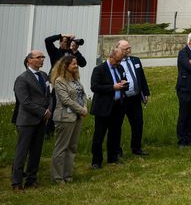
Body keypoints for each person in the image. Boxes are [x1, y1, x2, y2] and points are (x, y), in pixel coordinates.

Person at [12, 50, 51, 190]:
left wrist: (49, 109)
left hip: (41, 120)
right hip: (27, 121)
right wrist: (43, 112)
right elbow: (25, 101)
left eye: (43, 57)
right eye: (38, 57)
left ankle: (31, 179)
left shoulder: (44, 76)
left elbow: (49, 95)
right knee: (22, 152)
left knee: (36, 151)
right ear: (29, 60)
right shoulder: (22, 78)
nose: (42, 59)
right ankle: (16, 182)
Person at [50, 54, 88, 183]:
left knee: (72, 147)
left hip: (77, 117)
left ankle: (68, 176)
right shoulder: (60, 81)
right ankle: (57, 177)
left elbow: (82, 94)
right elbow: (65, 100)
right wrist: (81, 110)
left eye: (76, 63)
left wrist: (85, 106)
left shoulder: (75, 80)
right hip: (64, 118)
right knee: (61, 148)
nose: (76, 66)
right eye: (73, 64)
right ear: (65, 66)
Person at [89, 46, 128, 169]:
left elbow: (124, 82)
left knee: (115, 133)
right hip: (103, 106)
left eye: (120, 61)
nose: (119, 63)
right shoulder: (99, 69)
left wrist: (124, 85)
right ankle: (96, 161)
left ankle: (112, 157)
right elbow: (94, 87)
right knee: (99, 135)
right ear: (110, 57)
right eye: (117, 60)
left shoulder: (120, 67)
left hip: (117, 105)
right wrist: (112, 87)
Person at [117, 39, 150, 156]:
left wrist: (145, 93)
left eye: (129, 48)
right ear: (119, 50)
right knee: (117, 125)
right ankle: (117, 150)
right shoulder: (116, 61)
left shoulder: (135, 60)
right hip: (121, 99)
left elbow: (141, 77)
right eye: (126, 49)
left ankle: (136, 148)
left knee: (138, 123)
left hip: (135, 98)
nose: (129, 50)